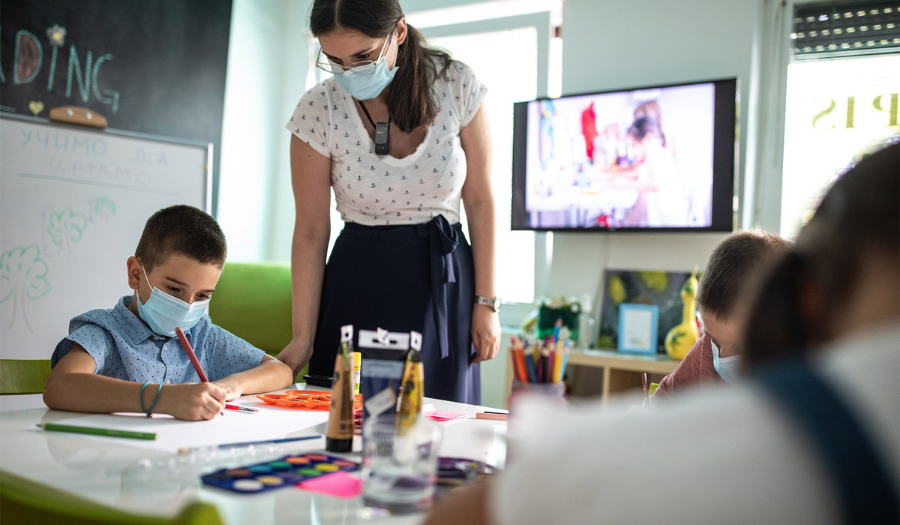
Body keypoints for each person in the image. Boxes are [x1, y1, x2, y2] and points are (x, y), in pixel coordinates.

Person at [423, 143, 899, 524]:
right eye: (715, 340)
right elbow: (664, 405)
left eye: (738, 345)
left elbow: (476, 511)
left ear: (804, 297)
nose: (723, 354)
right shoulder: (712, 359)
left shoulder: (796, 437)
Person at [277, 0, 500, 404]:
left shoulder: (456, 84)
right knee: (349, 415)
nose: (349, 72)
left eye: (363, 56)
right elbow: (310, 230)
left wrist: (487, 303)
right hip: (358, 277)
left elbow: (481, 199)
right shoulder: (318, 108)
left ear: (398, 31)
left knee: (438, 418)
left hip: (443, 279)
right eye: (334, 60)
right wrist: (302, 337)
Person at [44, 205, 294, 421]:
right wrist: (164, 398)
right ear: (136, 274)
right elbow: (60, 386)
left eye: (202, 296)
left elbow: (280, 370)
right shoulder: (105, 332)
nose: (187, 306)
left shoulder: (202, 335)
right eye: (174, 289)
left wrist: (230, 386)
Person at [654, 230, 790, 397]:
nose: (722, 358)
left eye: (739, 348)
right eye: (715, 342)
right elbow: (664, 398)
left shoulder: (796, 372)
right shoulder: (706, 348)